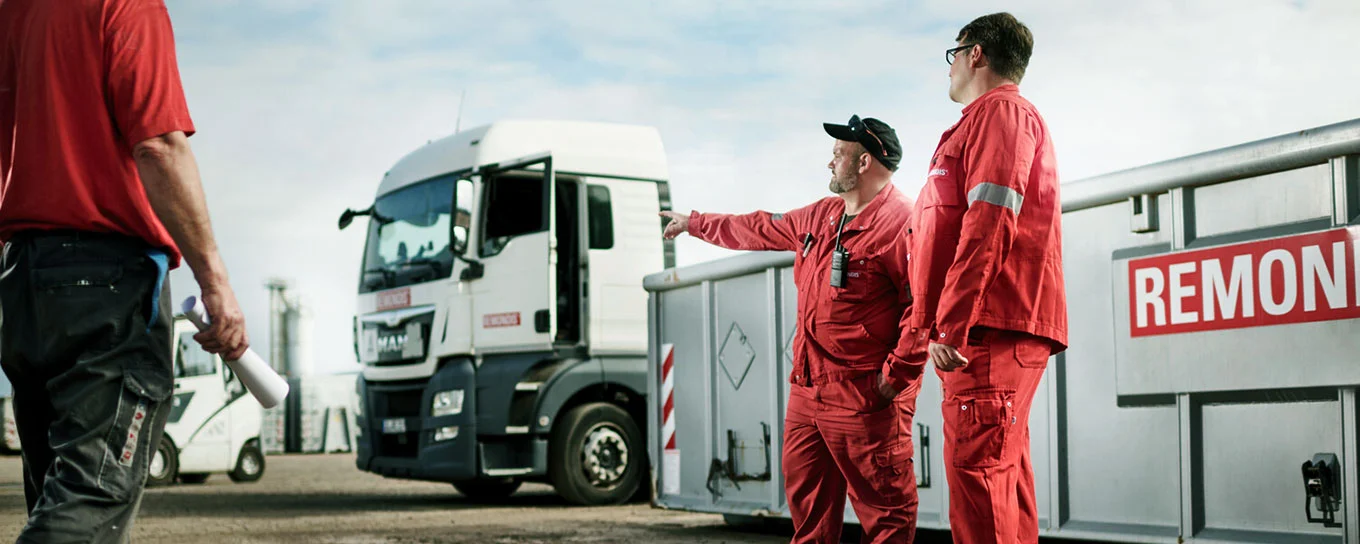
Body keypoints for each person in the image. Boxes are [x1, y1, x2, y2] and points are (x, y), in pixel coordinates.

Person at [0, 1, 250, 541]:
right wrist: (215, 279)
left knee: (59, 494)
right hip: (105, 282)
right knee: (92, 494)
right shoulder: (124, 5)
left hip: (22, 281)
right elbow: (158, 145)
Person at [661, 115, 921, 543]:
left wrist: (895, 378)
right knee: (809, 518)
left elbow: (922, 307)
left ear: (864, 163)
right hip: (808, 391)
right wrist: (694, 223)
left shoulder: (902, 222)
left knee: (886, 518)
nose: (830, 161)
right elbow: (758, 227)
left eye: (839, 153)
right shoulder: (822, 215)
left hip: (864, 397)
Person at [906, 12, 1067, 544]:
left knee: (980, 486)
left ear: (975, 53)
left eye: (953, 55)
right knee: (1001, 481)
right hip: (986, 328)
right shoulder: (984, 121)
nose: (949, 68)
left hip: (985, 334)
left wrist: (951, 324)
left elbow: (988, 222)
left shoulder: (1000, 113)